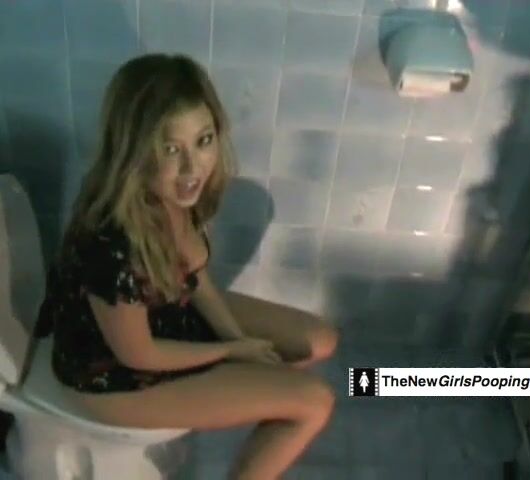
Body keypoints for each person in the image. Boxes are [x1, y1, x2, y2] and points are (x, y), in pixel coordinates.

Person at [35, 53, 339, 480]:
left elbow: (194, 277)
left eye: (204, 140)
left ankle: (248, 393)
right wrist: (231, 352)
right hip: (113, 375)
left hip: (162, 313)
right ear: (135, 150)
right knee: (314, 402)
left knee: (318, 340)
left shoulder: (173, 192)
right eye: (170, 148)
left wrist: (239, 340)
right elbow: (139, 354)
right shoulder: (110, 241)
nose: (192, 167)